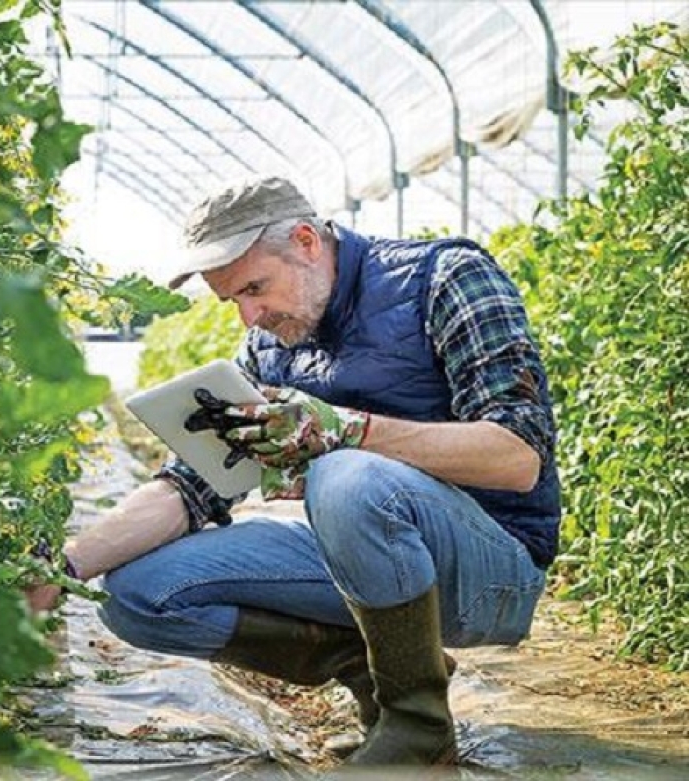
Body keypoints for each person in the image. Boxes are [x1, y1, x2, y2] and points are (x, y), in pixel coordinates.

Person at [31, 176, 561, 767]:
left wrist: (348, 430)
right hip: (368, 554)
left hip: (491, 568)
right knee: (135, 595)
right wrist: (65, 567)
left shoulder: (445, 279)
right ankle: (380, 673)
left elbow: (519, 458)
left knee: (345, 476)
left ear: (307, 241)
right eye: (233, 300)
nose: (249, 317)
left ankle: (419, 732)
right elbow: (191, 486)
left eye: (256, 288)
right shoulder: (268, 350)